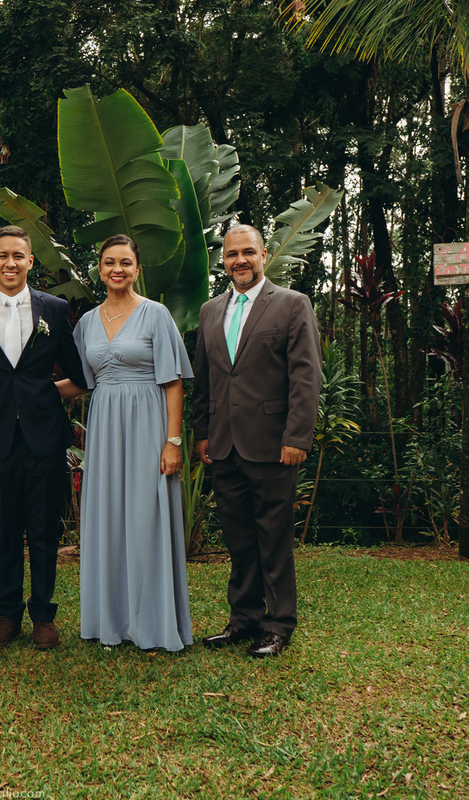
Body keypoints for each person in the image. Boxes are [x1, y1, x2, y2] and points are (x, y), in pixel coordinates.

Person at [56, 235, 193, 651]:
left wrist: (173, 441)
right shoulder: (86, 324)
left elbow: (172, 382)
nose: (118, 269)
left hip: (149, 422)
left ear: (137, 269)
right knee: (110, 516)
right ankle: (110, 620)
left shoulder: (156, 314)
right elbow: (82, 383)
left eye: (126, 263)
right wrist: (28, 391)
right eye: (110, 262)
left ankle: (152, 623)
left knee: (146, 516)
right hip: (106, 426)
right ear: (99, 268)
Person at [191, 224, 321, 658]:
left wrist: (297, 435)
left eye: (248, 252)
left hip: (273, 445)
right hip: (224, 446)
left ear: (264, 255)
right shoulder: (210, 311)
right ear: (223, 260)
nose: (240, 261)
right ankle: (243, 620)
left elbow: (306, 376)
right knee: (239, 538)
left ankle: (279, 624)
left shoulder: (291, 304)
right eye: (232, 254)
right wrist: (202, 432)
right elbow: (207, 379)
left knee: (274, 538)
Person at [0, 226, 88, 650]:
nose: (10, 262)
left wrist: (43, 395)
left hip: (45, 437)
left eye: (18, 255)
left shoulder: (53, 308)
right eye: (2, 255)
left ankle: (44, 616)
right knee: (6, 530)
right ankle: (8, 613)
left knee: (45, 530)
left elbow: (78, 372)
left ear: (30, 261)